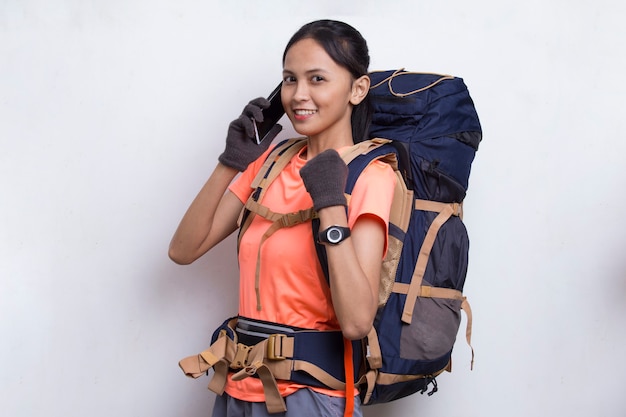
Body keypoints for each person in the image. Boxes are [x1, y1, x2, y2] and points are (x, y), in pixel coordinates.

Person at [169, 19, 396, 417]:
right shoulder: (272, 161)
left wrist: (330, 203)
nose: (298, 95)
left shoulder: (371, 176)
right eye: (290, 79)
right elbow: (183, 250)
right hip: (237, 388)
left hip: (312, 398)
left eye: (317, 79)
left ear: (357, 89)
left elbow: (358, 322)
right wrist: (230, 163)